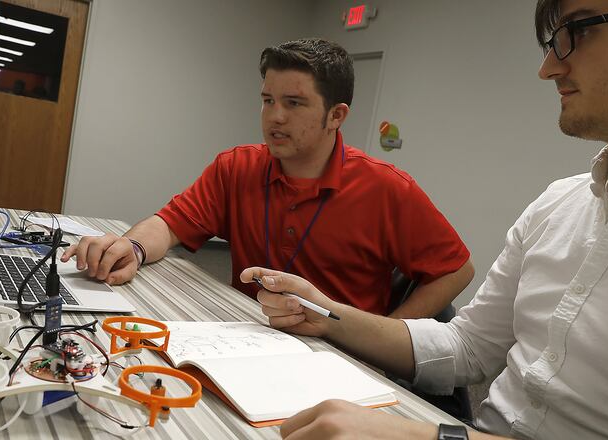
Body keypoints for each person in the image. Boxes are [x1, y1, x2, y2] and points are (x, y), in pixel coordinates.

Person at [245, 0, 608, 438]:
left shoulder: (385, 184)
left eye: (578, 31)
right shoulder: (558, 204)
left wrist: (429, 436)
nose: (548, 68)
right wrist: (328, 314)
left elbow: (453, 270)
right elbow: (468, 347)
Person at [62, 38, 473, 318]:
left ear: (337, 115)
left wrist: (391, 337)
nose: (274, 117)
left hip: (338, 354)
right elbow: (169, 224)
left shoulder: (386, 187)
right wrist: (131, 248)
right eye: (267, 100)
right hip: (244, 333)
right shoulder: (236, 167)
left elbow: (458, 270)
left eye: (294, 103)